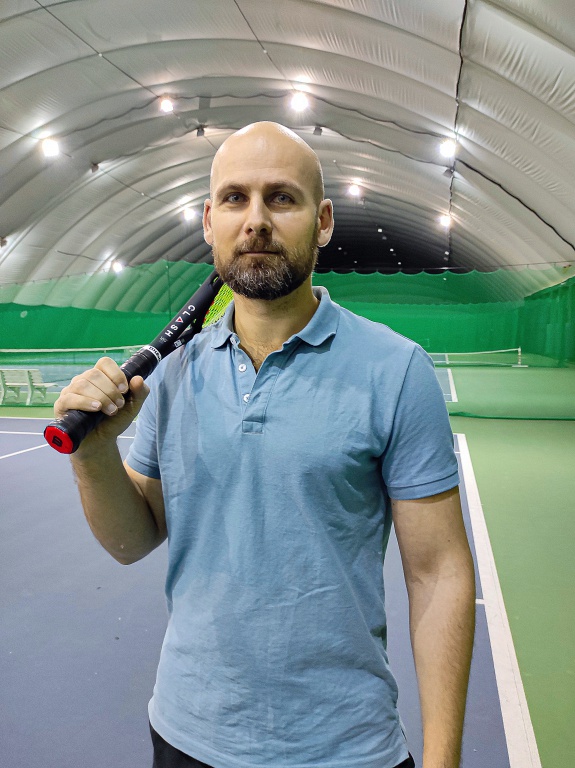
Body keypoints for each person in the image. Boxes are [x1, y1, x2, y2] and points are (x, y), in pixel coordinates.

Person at [55, 122, 475, 768]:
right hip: (185, 735)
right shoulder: (176, 372)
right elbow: (132, 540)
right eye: (235, 198)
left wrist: (443, 760)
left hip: (345, 748)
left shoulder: (395, 370)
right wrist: (93, 454)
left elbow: (438, 573)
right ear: (209, 221)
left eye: (281, 198)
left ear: (322, 221)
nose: (255, 220)